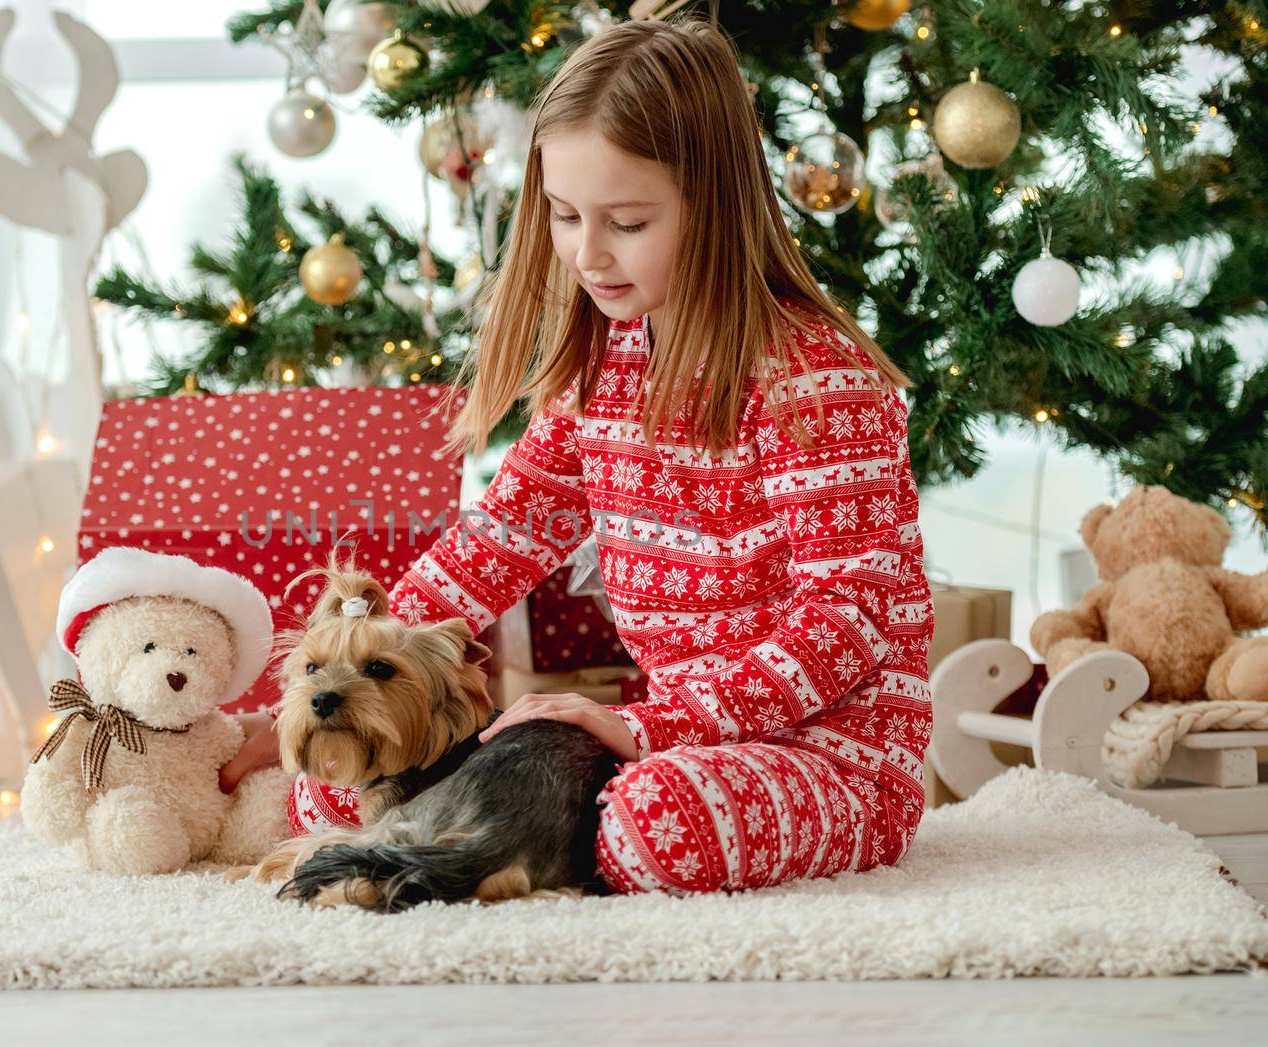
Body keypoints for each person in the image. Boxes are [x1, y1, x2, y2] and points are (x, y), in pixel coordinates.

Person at [220, 15, 934, 895]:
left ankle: (479, 856)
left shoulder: (813, 378)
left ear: (714, 204)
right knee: (331, 793)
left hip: (828, 755)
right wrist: (337, 682)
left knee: (647, 827)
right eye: (564, 215)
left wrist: (653, 728)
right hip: (667, 736)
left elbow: (851, 618)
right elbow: (500, 538)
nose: (587, 254)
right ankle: (468, 852)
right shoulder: (605, 366)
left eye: (627, 222)